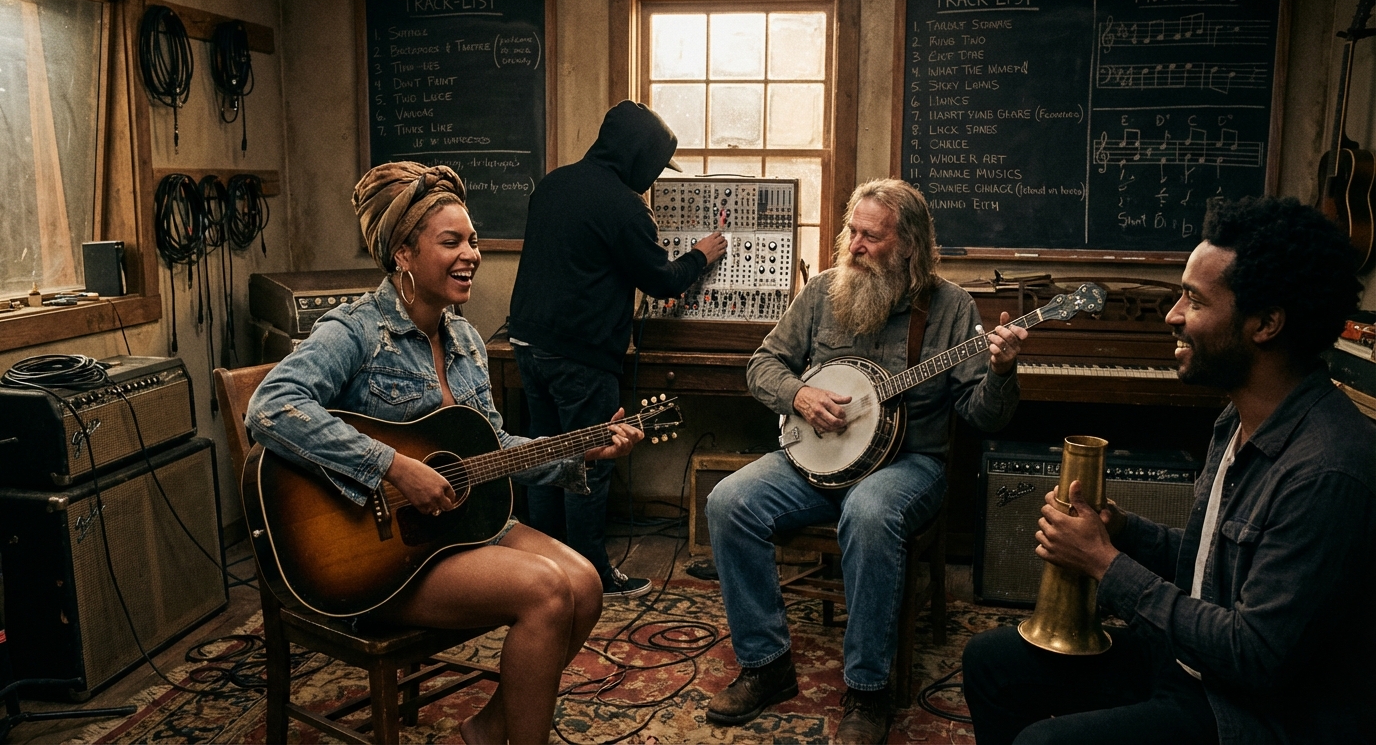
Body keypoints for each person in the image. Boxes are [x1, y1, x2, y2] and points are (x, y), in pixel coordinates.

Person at [246, 162, 645, 745]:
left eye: (474, 241)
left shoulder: (463, 338)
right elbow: (270, 405)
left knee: (585, 584)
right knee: (547, 592)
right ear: (403, 253)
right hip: (381, 557)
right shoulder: (355, 331)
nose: (472, 254)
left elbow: (494, 447)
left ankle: (488, 729)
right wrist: (394, 467)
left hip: (457, 530)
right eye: (451, 241)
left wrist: (582, 452)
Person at [962, 196, 1376, 744]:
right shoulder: (1238, 417)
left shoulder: (1327, 469)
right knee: (991, 661)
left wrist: (1104, 565)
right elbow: (1215, 564)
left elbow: (1255, 654)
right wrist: (1124, 531)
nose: (1171, 315)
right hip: (1196, 668)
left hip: (1252, 712)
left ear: (1267, 323)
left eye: (1194, 300)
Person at [704, 178, 1026, 742]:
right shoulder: (825, 291)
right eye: (852, 231)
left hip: (910, 465)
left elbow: (984, 417)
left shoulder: (951, 308)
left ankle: (867, 690)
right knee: (728, 501)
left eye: (870, 237)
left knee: (870, 513)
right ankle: (765, 664)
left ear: (908, 247)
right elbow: (763, 365)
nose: (853, 245)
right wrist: (800, 395)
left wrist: (1000, 373)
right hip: (816, 460)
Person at [508, 100, 728, 597]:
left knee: (543, 454)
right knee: (590, 458)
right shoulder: (626, 207)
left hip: (526, 342)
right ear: (639, 158)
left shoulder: (554, 183)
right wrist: (701, 254)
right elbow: (661, 280)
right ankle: (593, 575)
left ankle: (541, 564)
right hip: (581, 354)